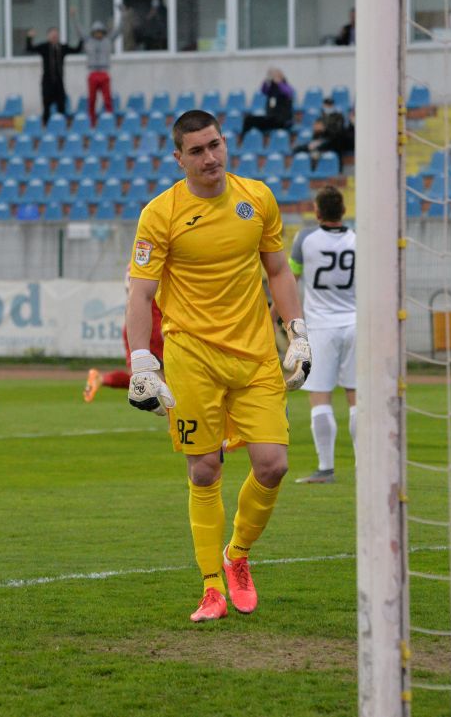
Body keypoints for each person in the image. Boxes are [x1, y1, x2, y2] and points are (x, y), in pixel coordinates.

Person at [126, 109, 312, 623]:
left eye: (215, 145)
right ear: (178, 158)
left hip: (255, 354)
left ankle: (238, 555)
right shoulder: (160, 214)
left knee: (273, 465)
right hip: (192, 357)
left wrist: (296, 333)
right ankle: (211, 588)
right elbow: (141, 293)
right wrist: (143, 359)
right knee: (205, 470)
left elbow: (277, 269)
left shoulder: (258, 198)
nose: (210, 157)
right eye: (197, 150)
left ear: (225, 143)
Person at [288, 187, 356, 485]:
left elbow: (291, 278)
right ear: (343, 211)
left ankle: (326, 468)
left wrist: (283, 318)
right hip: (357, 323)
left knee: (320, 397)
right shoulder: (359, 239)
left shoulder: (305, 239)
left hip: (321, 327)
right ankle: (366, 465)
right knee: (357, 398)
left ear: (317, 212)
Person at [84, 272, 163, 403]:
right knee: (165, 380)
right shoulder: (153, 261)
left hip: (132, 325)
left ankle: (102, 379)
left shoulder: (137, 263)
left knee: (139, 377)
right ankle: (176, 421)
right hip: (151, 327)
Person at [70, 6, 122, 128]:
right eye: (96, 31)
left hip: (104, 73)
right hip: (93, 73)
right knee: (92, 100)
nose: (98, 33)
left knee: (107, 100)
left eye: (100, 31)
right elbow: (79, 31)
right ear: (93, 32)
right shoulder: (88, 40)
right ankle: (92, 123)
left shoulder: (108, 40)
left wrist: (122, 16)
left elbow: (119, 30)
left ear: (103, 31)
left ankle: (109, 122)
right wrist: (74, 17)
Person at [25, 26, 82, 126]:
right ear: (48, 36)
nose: (54, 37)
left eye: (56, 35)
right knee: (46, 108)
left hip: (59, 83)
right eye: (52, 35)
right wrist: (29, 38)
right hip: (47, 83)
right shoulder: (44, 47)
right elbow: (29, 49)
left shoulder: (62, 48)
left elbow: (77, 50)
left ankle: (61, 128)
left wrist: (81, 38)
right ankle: (46, 128)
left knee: (61, 108)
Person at [240, 68, 296, 140]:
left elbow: (288, 92)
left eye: (277, 76)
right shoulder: (272, 89)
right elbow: (263, 90)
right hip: (271, 119)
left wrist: (279, 83)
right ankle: (244, 141)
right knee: (249, 120)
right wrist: (267, 79)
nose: (274, 78)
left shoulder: (286, 86)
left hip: (283, 120)